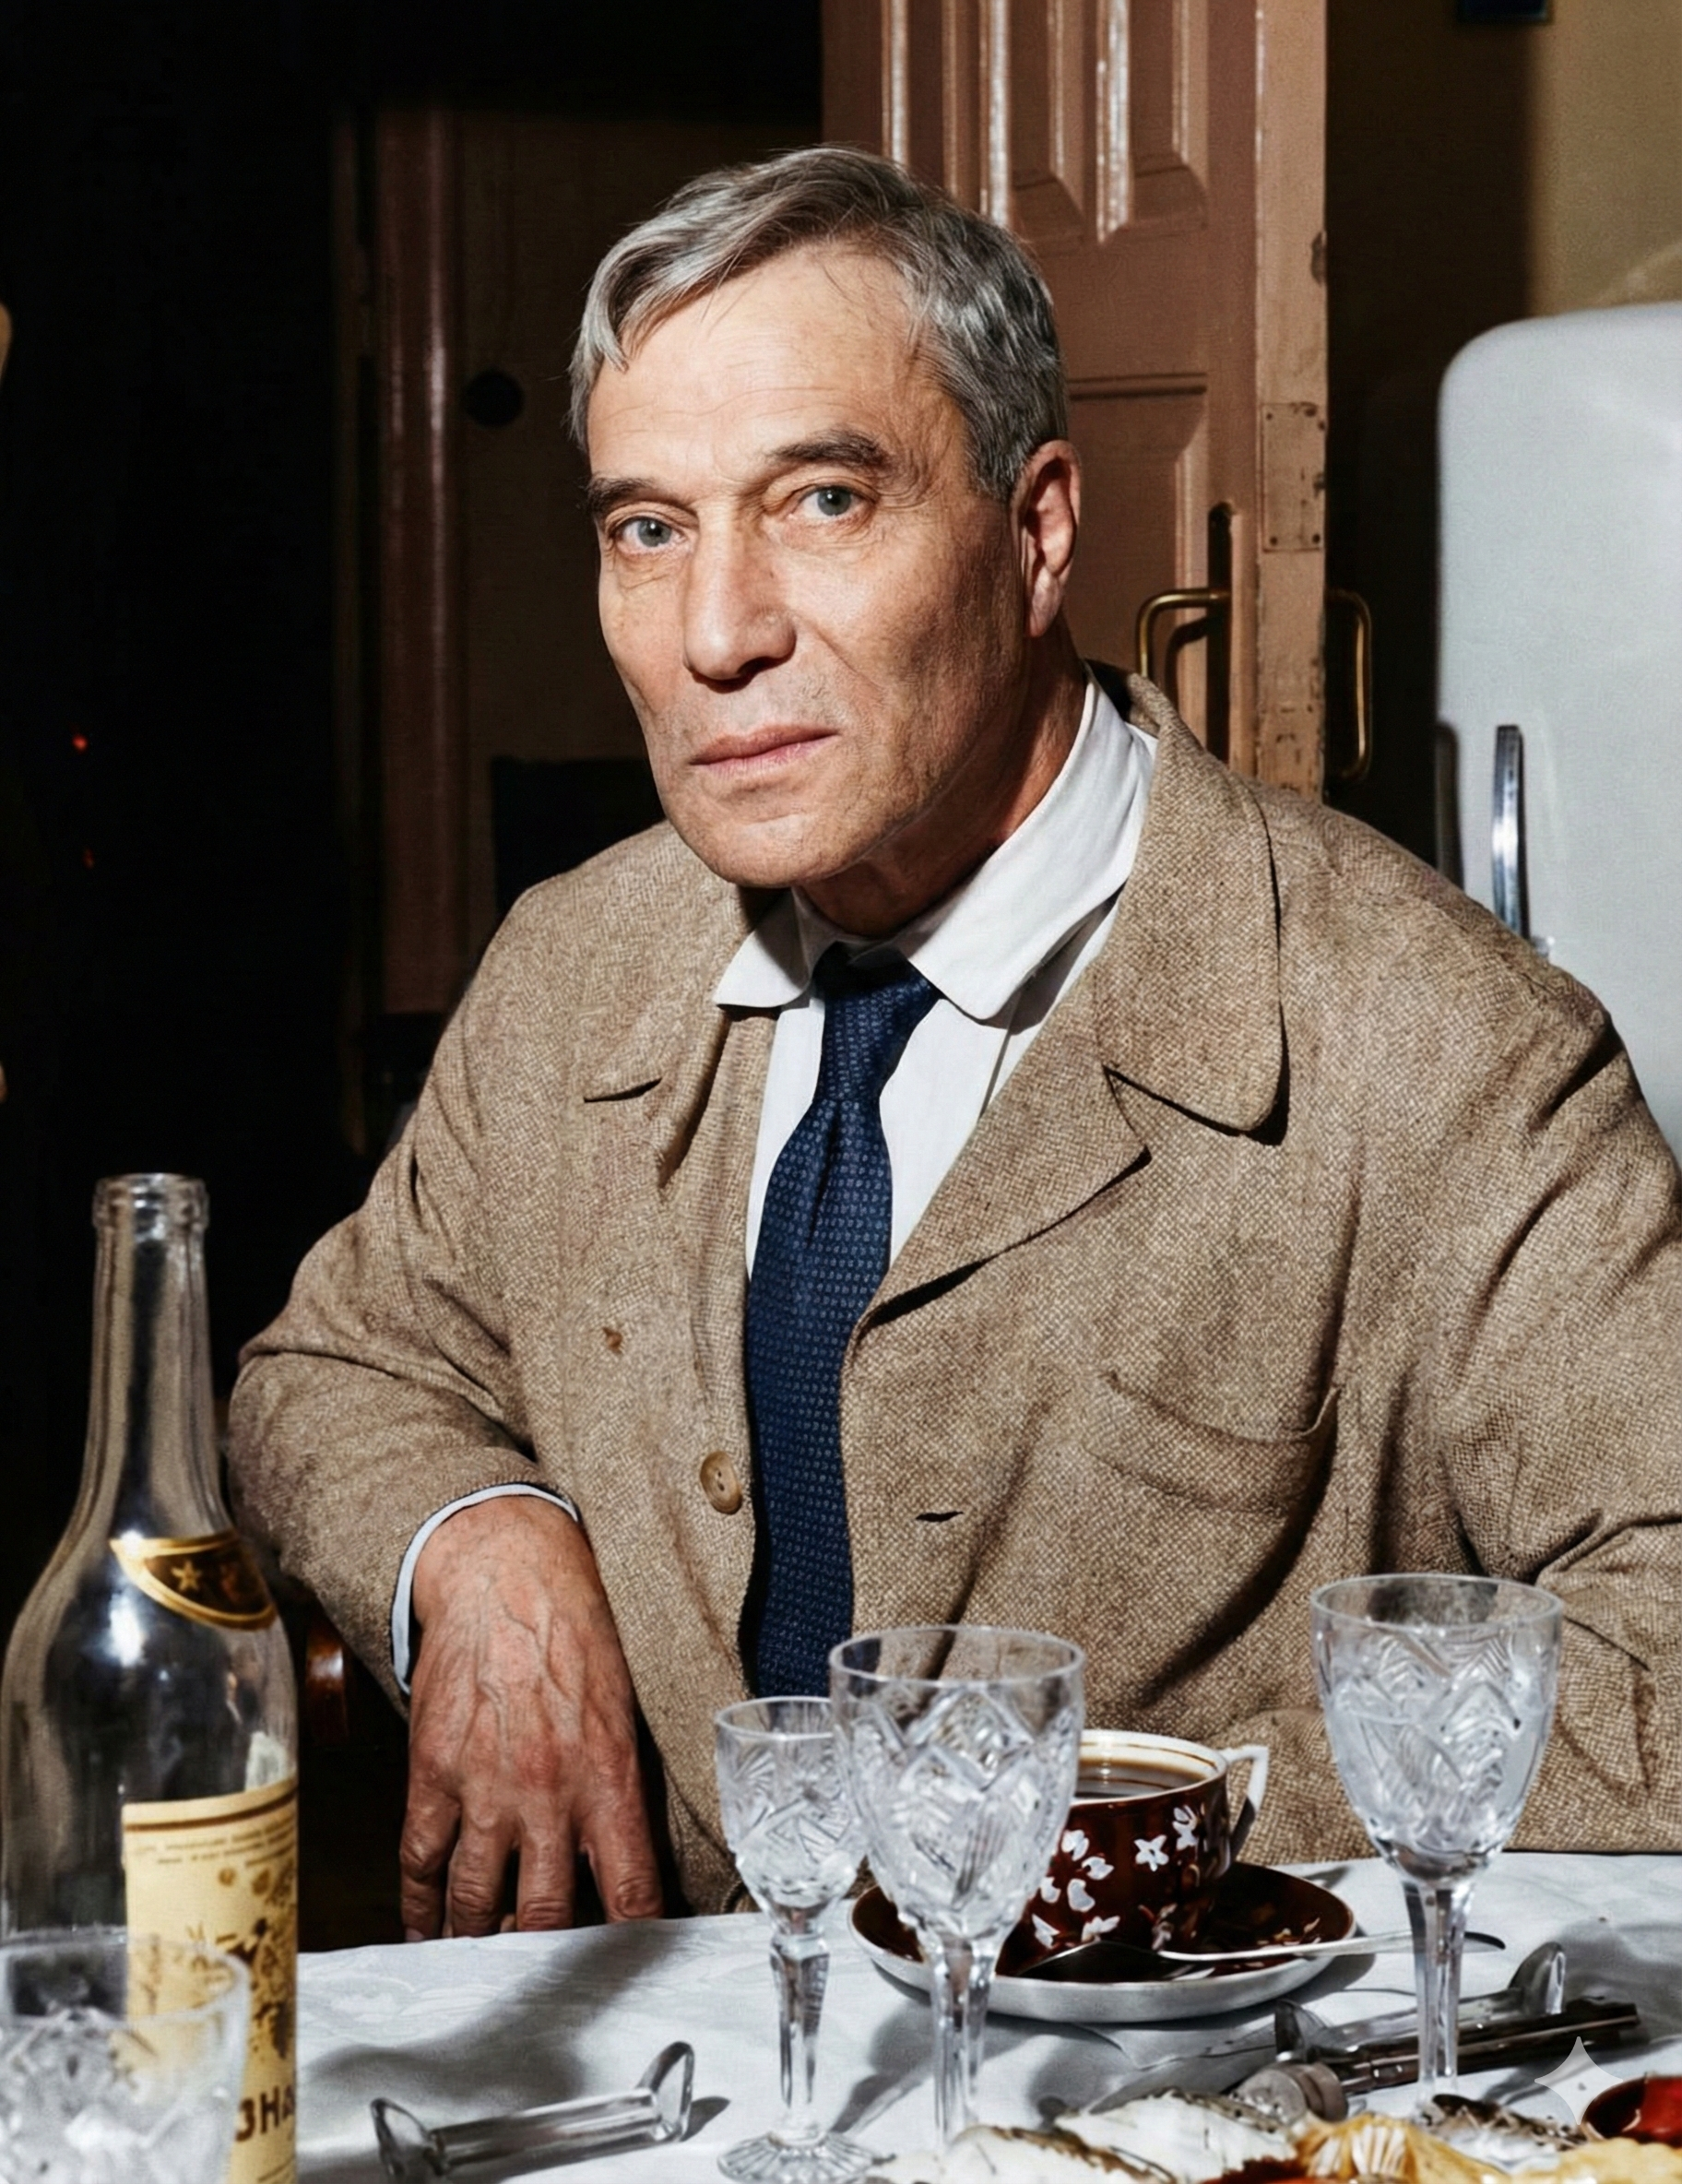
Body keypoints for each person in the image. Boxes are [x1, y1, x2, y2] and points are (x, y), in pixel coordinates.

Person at [229, 148, 1682, 1940]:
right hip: (679, 2059)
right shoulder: (574, 964)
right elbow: (331, 1369)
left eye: (825, 500)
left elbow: (1669, 1647)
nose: (716, 633)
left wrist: (1131, 1816)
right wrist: (479, 1542)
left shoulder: (1438, 1047)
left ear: (1038, 530)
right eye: (648, 529)